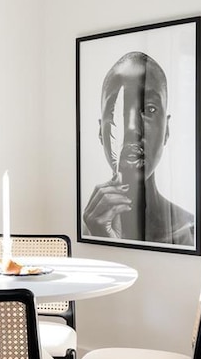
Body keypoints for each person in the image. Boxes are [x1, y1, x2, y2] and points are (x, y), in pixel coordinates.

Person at [82, 50, 194, 246]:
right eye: (116, 110)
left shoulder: (190, 234)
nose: (132, 129)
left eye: (150, 109)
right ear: (101, 131)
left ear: (166, 129)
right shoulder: (85, 231)